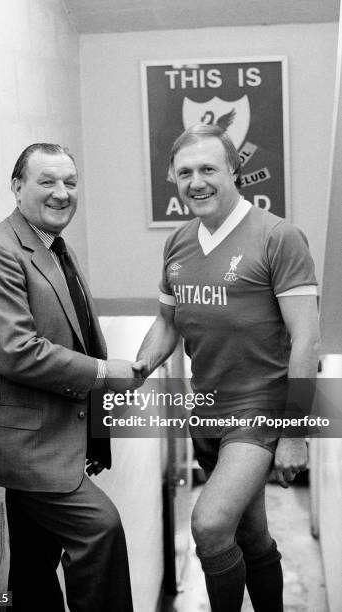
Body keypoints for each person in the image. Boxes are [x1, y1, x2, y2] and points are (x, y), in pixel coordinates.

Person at [134, 124, 320, 611]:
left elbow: (306, 338)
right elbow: (166, 323)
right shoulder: (178, 242)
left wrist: (296, 432)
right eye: (184, 172)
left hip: (259, 409)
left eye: (208, 169)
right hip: (206, 410)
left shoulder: (279, 237)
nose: (196, 181)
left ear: (235, 169)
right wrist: (138, 366)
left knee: (211, 525)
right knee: (252, 536)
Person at [0, 143, 141, 612]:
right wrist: (104, 373)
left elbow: (76, 335)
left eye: (70, 183)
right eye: (47, 182)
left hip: (59, 433)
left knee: (33, 567)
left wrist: (94, 432)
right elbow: (16, 353)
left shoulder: (55, 246)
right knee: (100, 530)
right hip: (24, 446)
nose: (62, 193)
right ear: (17, 188)